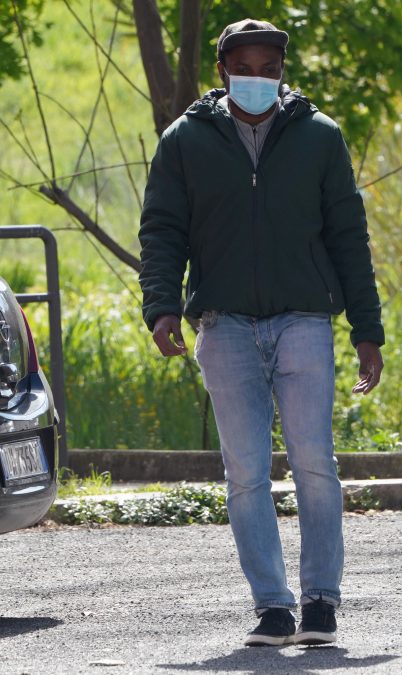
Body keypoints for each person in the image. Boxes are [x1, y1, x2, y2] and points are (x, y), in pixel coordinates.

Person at [138, 18, 384, 648]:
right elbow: (162, 231)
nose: (257, 78)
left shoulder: (320, 138)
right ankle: (273, 607)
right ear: (223, 73)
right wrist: (163, 306)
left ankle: (321, 601)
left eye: (269, 68)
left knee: (313, 463)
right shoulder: (184, 142)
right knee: (245, 471)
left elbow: (348, 238)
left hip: (304, 319)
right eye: (243, 68)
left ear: (283, 70)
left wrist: (367, 328)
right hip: (223, 327)